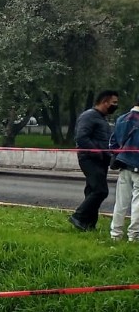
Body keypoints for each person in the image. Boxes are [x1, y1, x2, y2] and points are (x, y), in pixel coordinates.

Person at [70, 90, 121, 231]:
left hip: (101, 160)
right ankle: (78, 216)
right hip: (90, 159)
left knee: (92, 190)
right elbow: (81, 138)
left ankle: (88, 225)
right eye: (114, 102)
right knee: (101, 190)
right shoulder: (89, 116)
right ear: (105, 102)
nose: (116, 105)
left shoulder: (101, 118)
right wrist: (97, 152)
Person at [109, 95, 139, 241]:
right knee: (137, 203)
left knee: (120, 203)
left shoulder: (121, 119)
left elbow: (113, 143)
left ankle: (115, 234)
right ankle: (134, 236)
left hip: (123, 165)